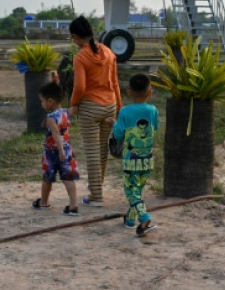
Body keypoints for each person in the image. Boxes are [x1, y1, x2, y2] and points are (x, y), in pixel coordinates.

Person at [68, 15, 122, 206]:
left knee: (92, 151)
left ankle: (96, 196)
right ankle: (97, 189)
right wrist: (119, 108)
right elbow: (115, 82)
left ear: (75, 36)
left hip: (90, 107)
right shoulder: (108, 52)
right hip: (110, 104)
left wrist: (73, 104)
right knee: (102, 150)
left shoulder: (80, 57)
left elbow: (80, 87)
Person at [112, 73, 160, 236]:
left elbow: (118, 134)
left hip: (130, 161)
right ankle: (131, 220)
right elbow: (156, 128)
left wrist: (113, 124)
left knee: (131, 191)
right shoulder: (153, 110)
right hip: (147, 160)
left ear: (129, 92)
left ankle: (144, 217)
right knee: (138, 189)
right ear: (150, 92)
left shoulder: (125, 111)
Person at [33, 82, 80, 215]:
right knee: (68, 178)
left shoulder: (50, 118)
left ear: (50, 102)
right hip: (68, 148)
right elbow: (75, 108)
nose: (41, 104)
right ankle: (73, 205)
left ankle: (44, 202)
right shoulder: (66, 112)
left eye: (42, 101)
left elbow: (55, 134)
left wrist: (60, 151)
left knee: (47, 178)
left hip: (52, 151)